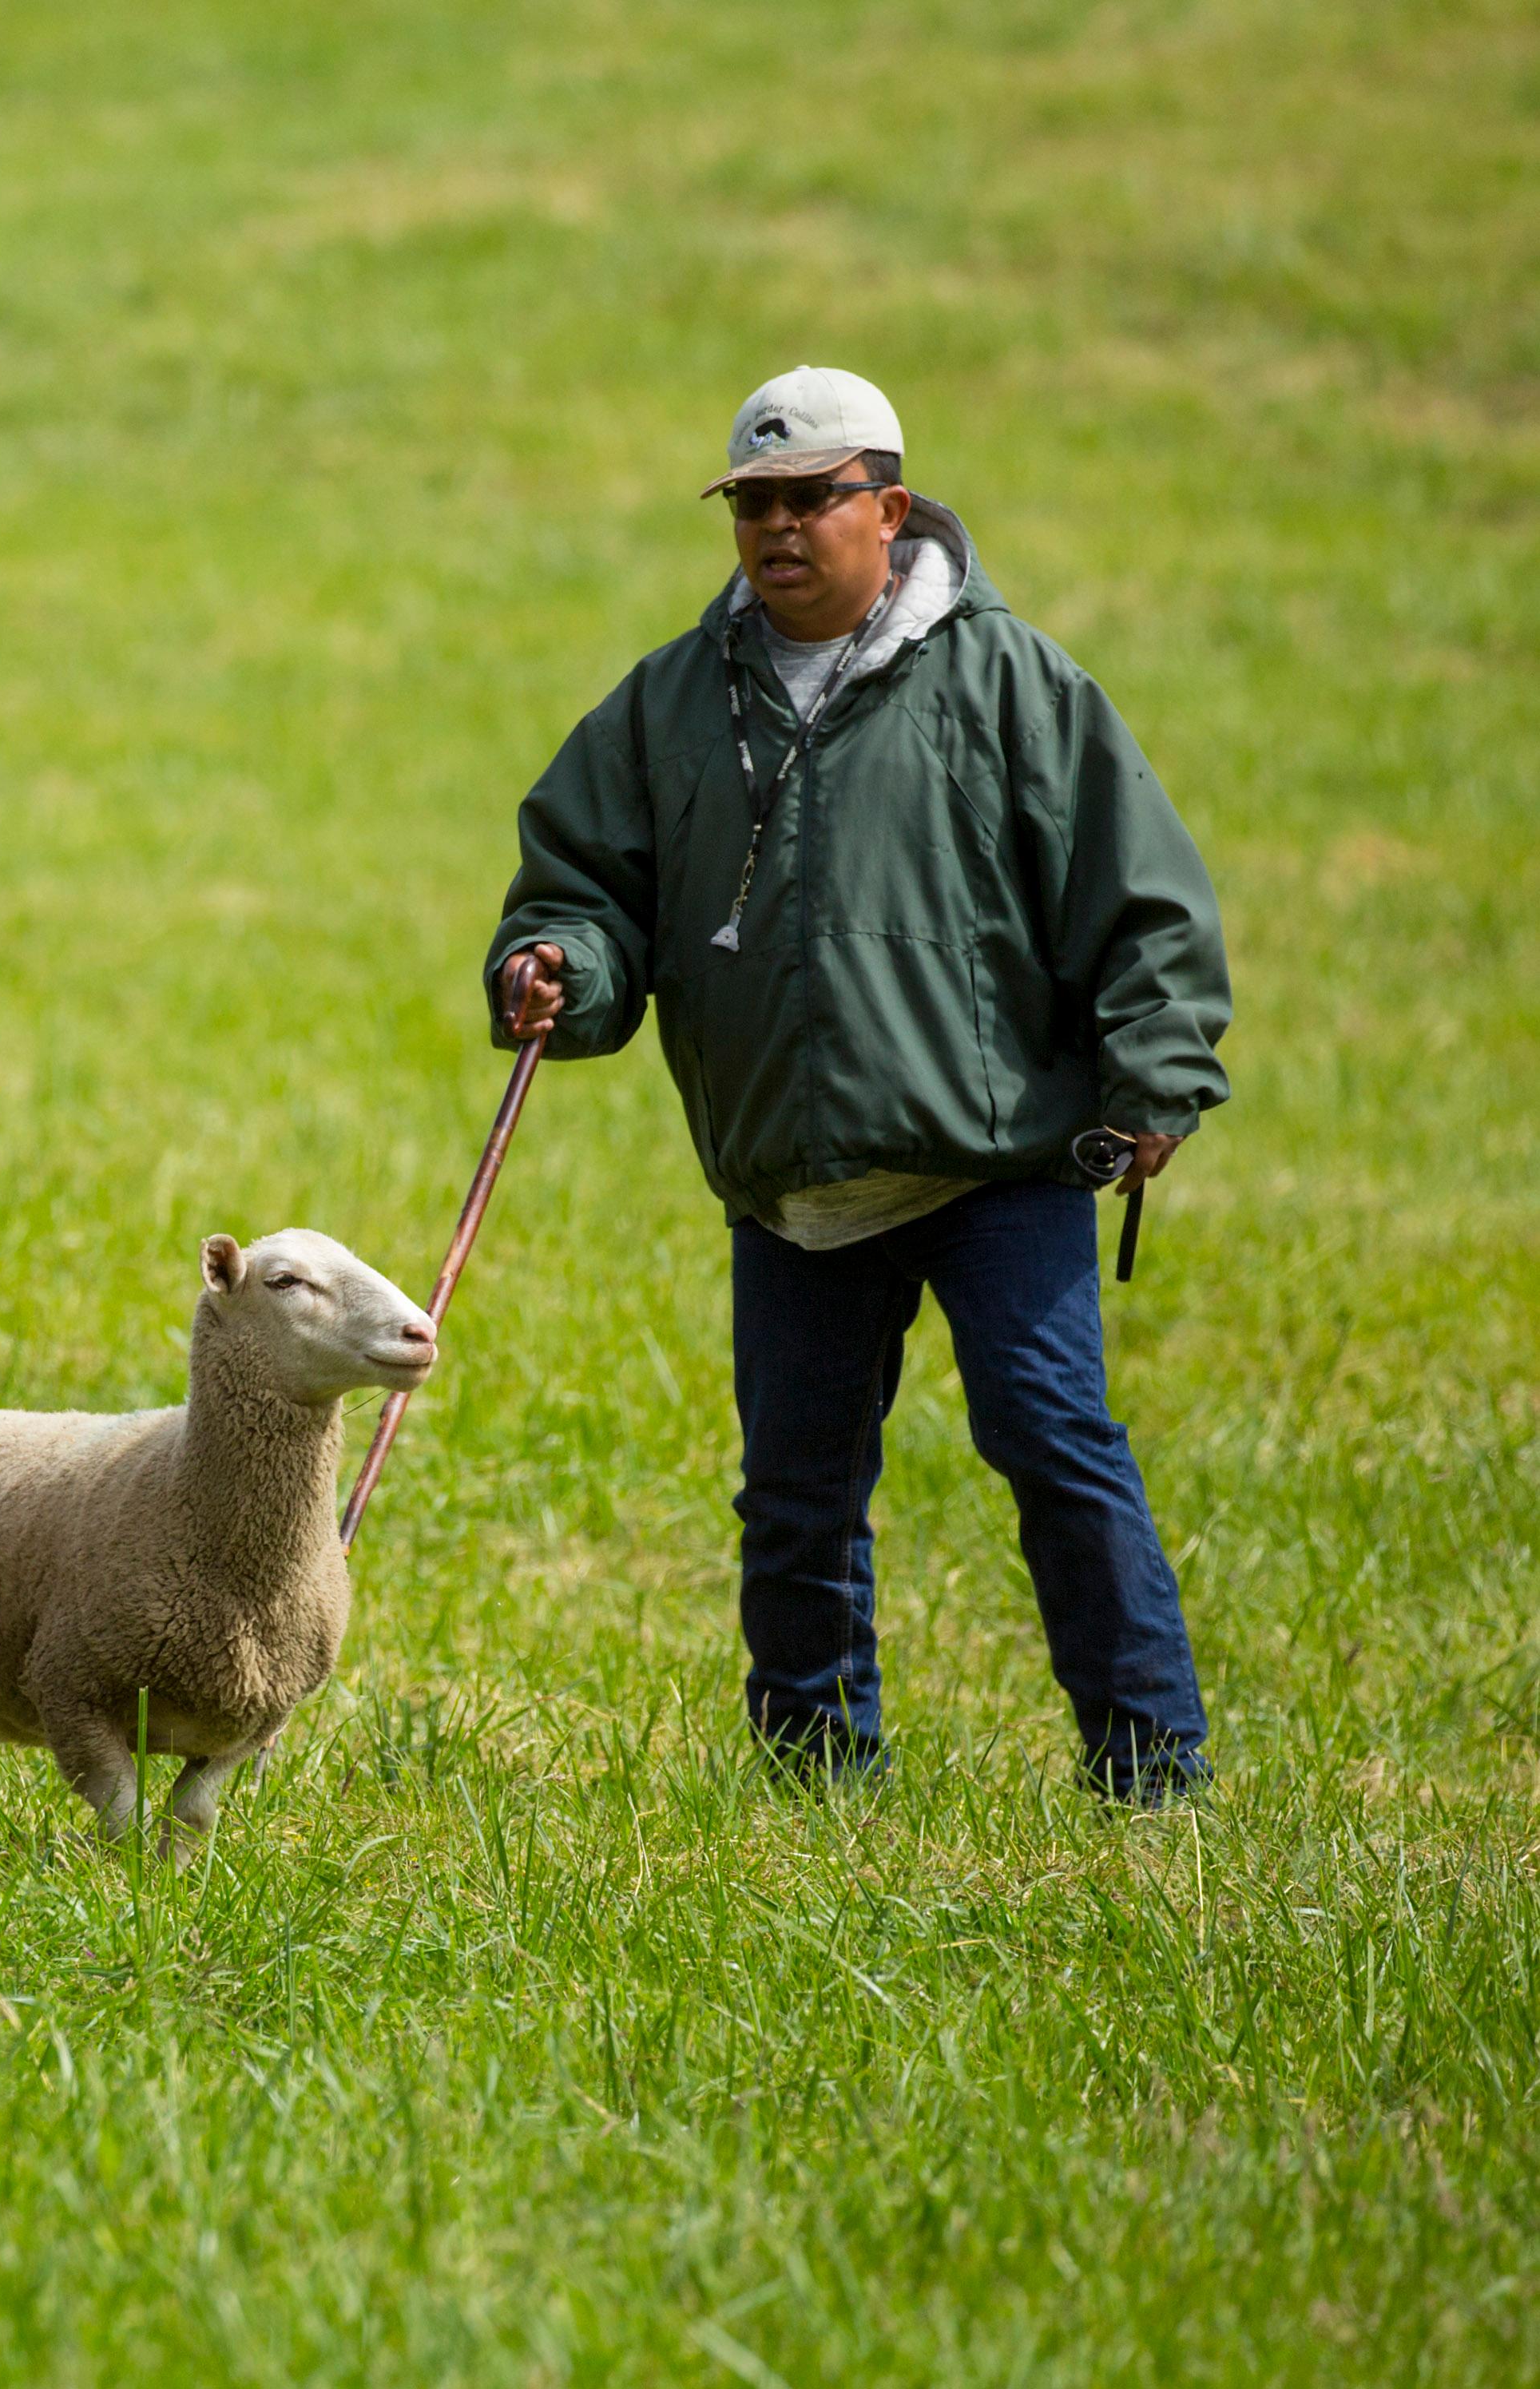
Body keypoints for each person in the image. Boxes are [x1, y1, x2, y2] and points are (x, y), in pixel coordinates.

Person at [483, 365, 1228, 1801]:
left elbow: (1140, 901)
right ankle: (816, 1781)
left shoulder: (1014, 681)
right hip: (795, 1176)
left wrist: (1154, 1079)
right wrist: (552, 967)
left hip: (995, 1157)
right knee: (796, 1495)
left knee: (1051, 1439)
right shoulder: (667, 705)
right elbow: (581, 886)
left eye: (806, 498)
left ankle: (1151, 1773)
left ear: (883, 506)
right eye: (750, 503)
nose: (773, 528)